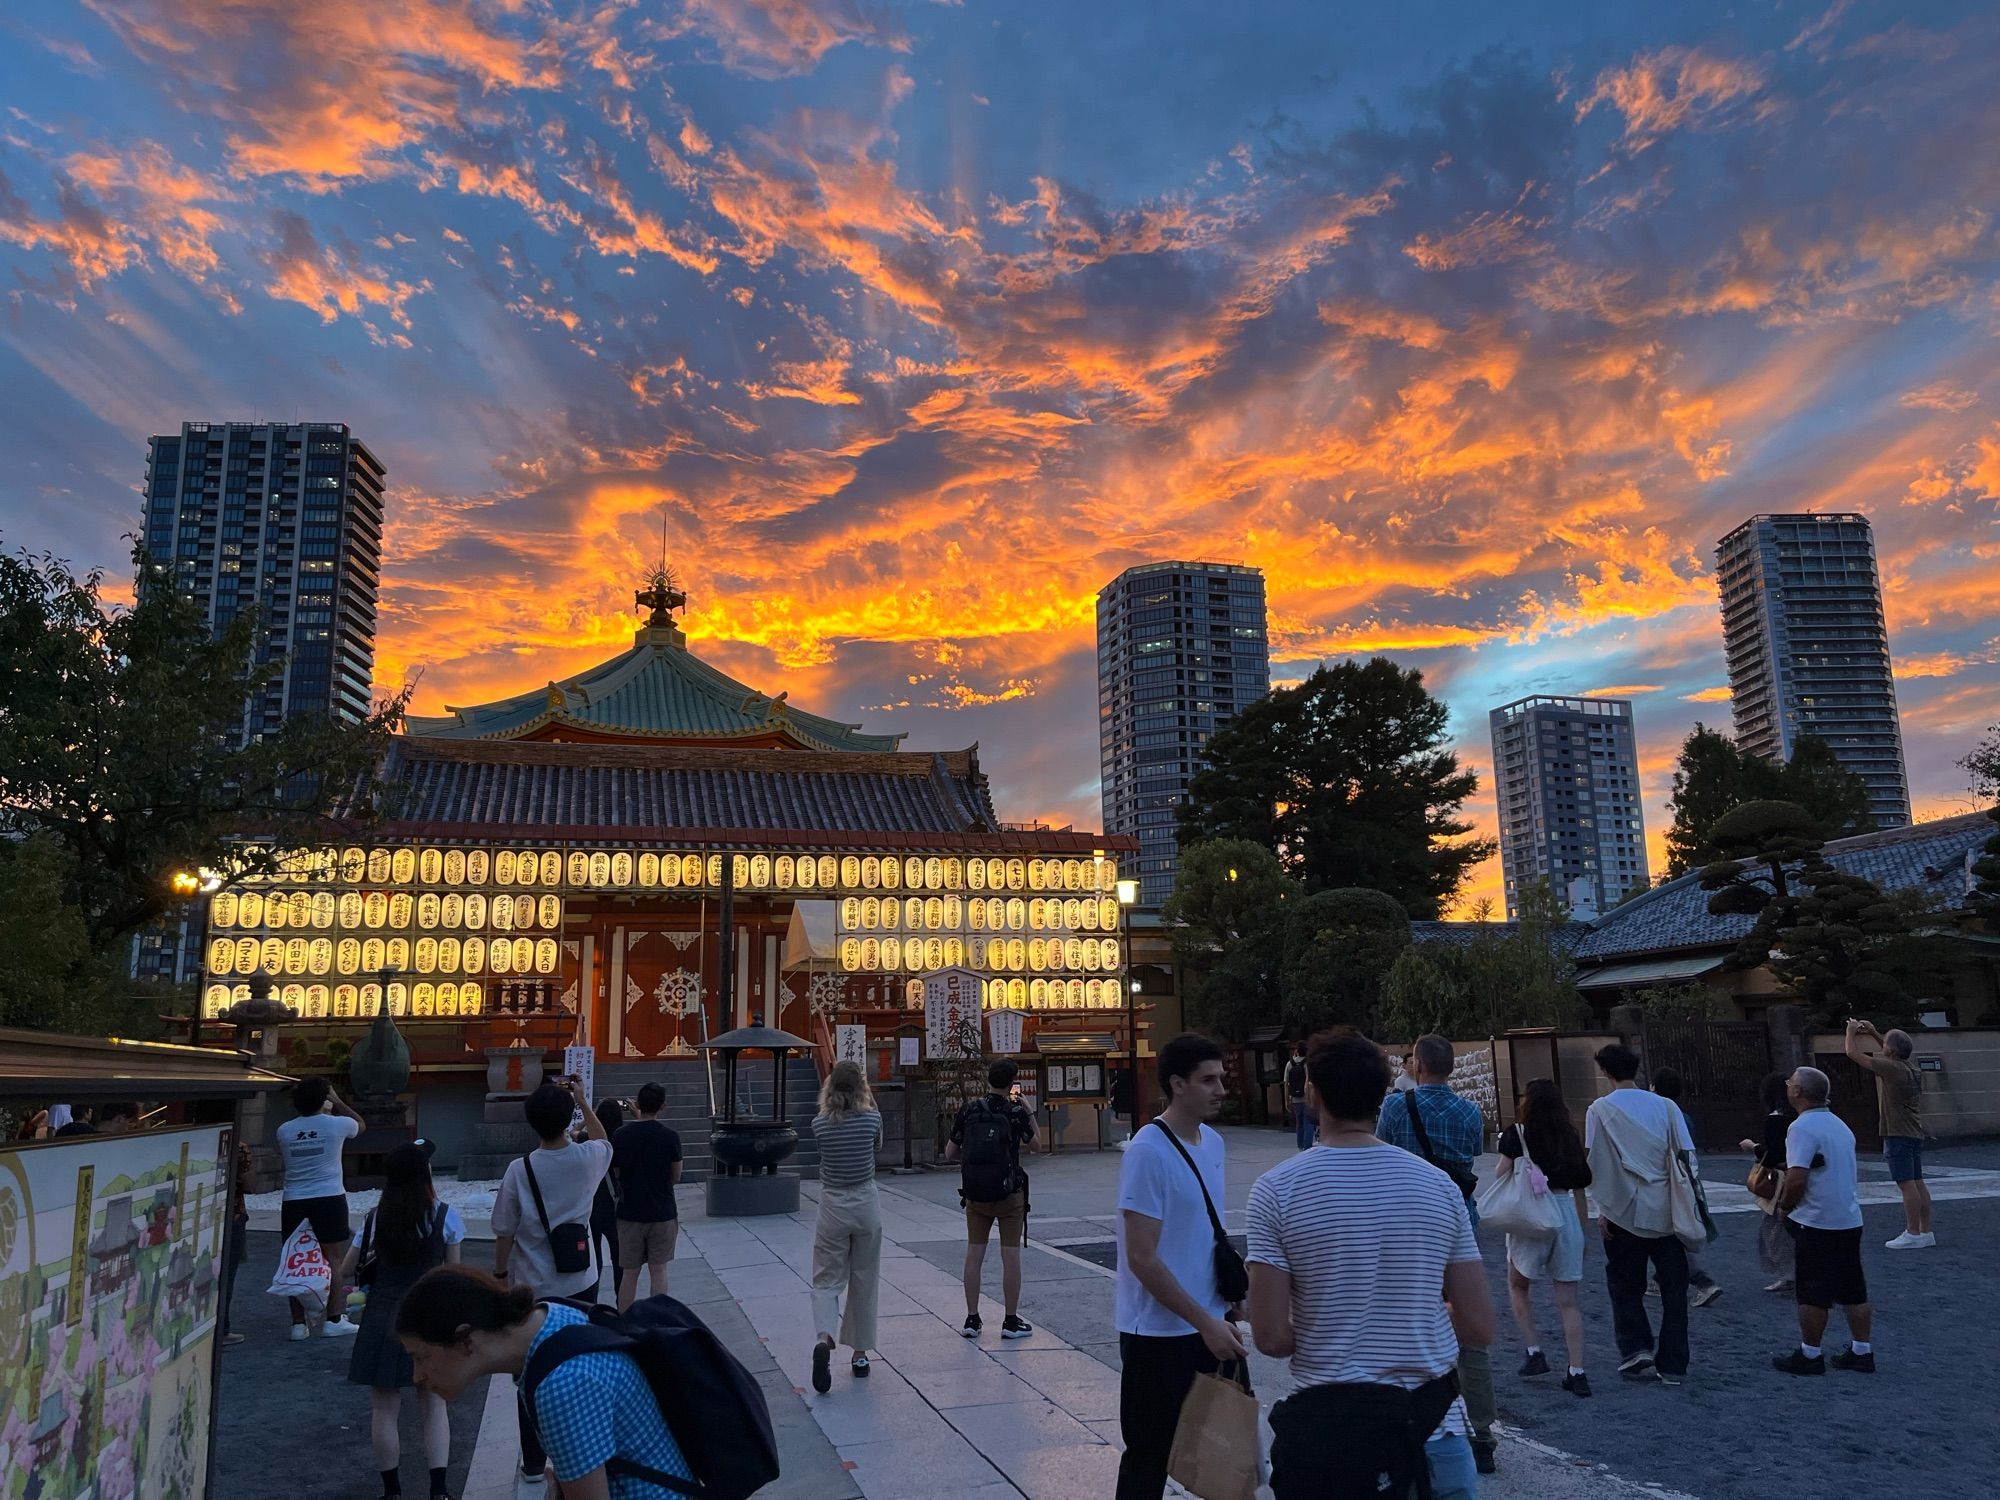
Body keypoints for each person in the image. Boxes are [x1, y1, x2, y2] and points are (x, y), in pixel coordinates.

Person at [1248, 1036, 1496, 1500]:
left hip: (1331, 1434)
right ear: (1384, 1094)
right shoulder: (1438, 1187)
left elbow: (1271, 1338)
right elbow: (1479, 1327)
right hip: (1431, 1428)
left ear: (1312, 1091)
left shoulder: (1275, 1191)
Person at [395, 1266, 693, 1498]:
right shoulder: (549, 1316)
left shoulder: (561, 1385)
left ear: (465, 1339)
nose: (416, 1376)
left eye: (420, 1357)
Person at [1114, 1034, 1246, 1500]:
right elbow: (1141, 1258)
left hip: (1211, 1323)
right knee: (1148, 1457)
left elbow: (1207, 1233)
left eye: (1221, 1079)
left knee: (1221, 1457)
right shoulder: (1148, 1151)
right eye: (1208, 1080)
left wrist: (1229, 1301)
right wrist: (1203, 1322)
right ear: (1177, 1084)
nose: (1220, 1089)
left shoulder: (1213, 1143)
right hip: (1156, 1333)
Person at [1377, 1033, 1497, 1474]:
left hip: (1406, 1222)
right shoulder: (1470, 1111)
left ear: (1419, 1065)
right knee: (1468, 1329)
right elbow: (1471, 1156)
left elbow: (1382, 1151)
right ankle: (1482, 1431)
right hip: (1458, 1220)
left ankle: (1419, 1417)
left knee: (1409, 1316)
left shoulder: (1395, 1107)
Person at [491, 1076, 612, 1491]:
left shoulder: (519, 1169)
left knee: (530, 1372)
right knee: (578, 1363)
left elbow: (503, 1229)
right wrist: (581, 1098)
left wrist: (500, 1274)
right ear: (568, 1119)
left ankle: (532, 1462)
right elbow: (604, 1139)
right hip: (581, 1278)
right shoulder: (588, 1159)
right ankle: (581, 1454)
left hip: (532, 1285)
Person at [339, 1141, 465, 1500]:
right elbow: (453, 1274)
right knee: (434, 1404)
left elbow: (347, 1267)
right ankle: (438, 1491)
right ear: (425, 1174)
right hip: (427, 1315)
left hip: (381, 1313)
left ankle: (392, 1492)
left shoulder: (376, 1217)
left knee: (384, 1408)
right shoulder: (444, 1215)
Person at [1584, 1045, 1694, 1385]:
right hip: (1668, 1205)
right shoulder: (1666, 1105)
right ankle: (1674, 1360)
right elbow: (1685, 1154)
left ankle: (1636, 1348)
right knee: (1675, 1287)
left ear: (1605, 1071)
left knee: (1625, 1283)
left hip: (1626, 1205)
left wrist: (1603, 1207)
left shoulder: (1600, 1109)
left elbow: (1598, 1162)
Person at [1771, 1067, 1875, 1376]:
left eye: (1791, 1082)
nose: (1788, 1085)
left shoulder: (1801, 1128)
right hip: (1847, 1216)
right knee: (1853, 1289)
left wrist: (1785, 1206)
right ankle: (1861, 1350)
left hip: (1816, 1220)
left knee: (1812, 1290)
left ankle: (1810, 1353)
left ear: (1798, 1092)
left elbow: (1796, 1177)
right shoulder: (1839, 1124)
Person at [1496, 1079, 1593, 1397]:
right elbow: (1582, 1181)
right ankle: (1577, 1370)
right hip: (1565, 1213)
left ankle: (1534, 1351)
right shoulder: (1569, 1135)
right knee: (1568, 1300)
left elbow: (1501, 1173)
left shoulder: (1517, 1134)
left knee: (1517, 1285)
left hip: (1532, 1215)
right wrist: (1582, 1228)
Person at [944, 1058, 1039, 1339]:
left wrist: (975, 1165)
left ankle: (972, 1320)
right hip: (1009, 1195)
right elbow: (1037, 1146)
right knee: (1010, 1256)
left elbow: (950, 1152)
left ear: (988, 1080)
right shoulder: (1014, 1112)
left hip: (976, 1195)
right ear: (1012, 1083)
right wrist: (1029, 1112)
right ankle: (1010, 1321)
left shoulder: (969, 1110)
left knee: (975, 1254)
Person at [809, 1060, 884, 1394]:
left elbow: (820, 1157)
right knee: (864, 1277)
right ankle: (860, 1354)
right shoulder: (872, 1119)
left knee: (826, 1277)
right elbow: (876, 1149)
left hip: (833, 1203)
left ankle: (824, 1337)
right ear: (860, 1088)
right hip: (865, 1201)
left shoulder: (820, 1124)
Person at [277, 1077, 364, 1339]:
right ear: (324, 1098)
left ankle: (297, 1324)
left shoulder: (284, 1130)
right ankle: (334, 1319)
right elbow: (361, 1125)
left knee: (295, 1259)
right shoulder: (338, 1125)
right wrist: (337, 1101)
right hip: (329, 1197)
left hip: (293, 1199)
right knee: (332, 1260)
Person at [1845, 1021, 1932, 1248]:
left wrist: (1851, 1032)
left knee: (1906, 1184)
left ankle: (1912, 1233)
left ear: (1890, 1052)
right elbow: (1892, 1049)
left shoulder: (1891, 1068)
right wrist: (1874, 1032)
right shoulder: (1911, 1069)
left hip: (1897, 1132)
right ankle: (1925, 1230)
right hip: (1914, 1131)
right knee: (1918, 1182)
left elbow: (1852, 1054)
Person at [1649, 1068, 1722, 1308]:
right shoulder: (1684, 1117)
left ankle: (1702, 1282)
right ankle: (1660, 1279)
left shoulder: (1657, 1116)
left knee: (1670, 1234)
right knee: (1670, 1233)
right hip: (1685, 1180)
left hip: (1666, 1181)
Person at [611, 1084, 684, 1311]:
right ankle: (658, 1318)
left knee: (630, 1272)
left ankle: (625, 1320)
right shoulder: (670, 1137)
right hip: (661, 1210)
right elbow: (676, 1176)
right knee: (659, 1269)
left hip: (630, 1211)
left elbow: (617, 1172)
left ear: (638, 1104)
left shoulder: (621, 1135)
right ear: (663, 1106)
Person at [1738, 1073, 1797, 1293]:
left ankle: (1789, 1274)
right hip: (1801, 1177)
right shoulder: (1798, 1116)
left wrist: (1753, 1147)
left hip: (1782, 1180)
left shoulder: (1775, 1119)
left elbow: (1773, 1156)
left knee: (1775, 1228)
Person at [219, 1140, 256, 1347]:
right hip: (232, 1215)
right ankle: (222, 1327)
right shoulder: (238, 1146)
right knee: (227, 1275)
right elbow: (250, 1185)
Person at [592, 1098, 627, 1303]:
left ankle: (591, 1301)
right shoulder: (623, 1139)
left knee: (593, 1258)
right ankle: (621, 1302)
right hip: (616, 1205)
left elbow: (572, 1134)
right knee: (619, 1259)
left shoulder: (588, 1140)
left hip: (593, 1204)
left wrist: (590, 1117)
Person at [1282, 1043, 1313, 1150]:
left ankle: (1300, 1146)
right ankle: (1307, 1147)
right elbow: (1309, 1081)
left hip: (1295, 1098)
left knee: (1299, 1123)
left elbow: (1286, 1083)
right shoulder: (1307, 1063)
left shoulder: (1289, 1064)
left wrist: (1287, 1099)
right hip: (1307, 1098)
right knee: (1308, 1123)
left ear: (1297, 1051)